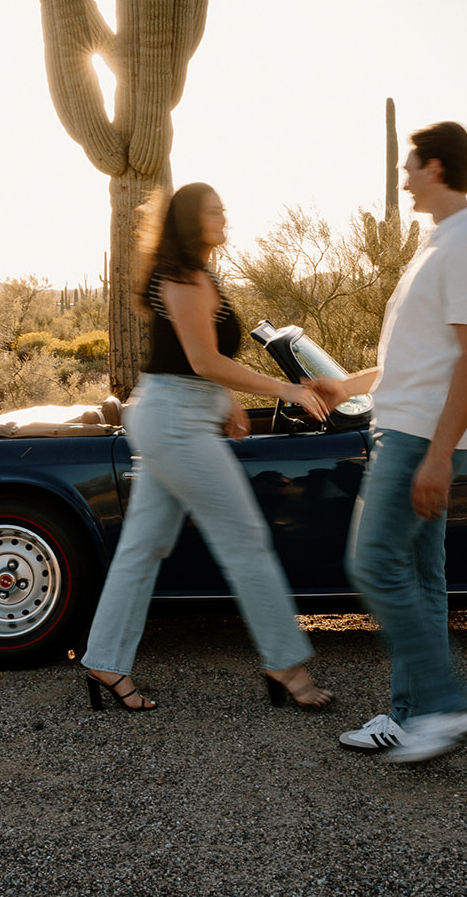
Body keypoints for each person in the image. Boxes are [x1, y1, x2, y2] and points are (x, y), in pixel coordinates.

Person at [79, 182, 335, 713]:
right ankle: (285, 662)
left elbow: (193, 358)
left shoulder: (201, 274)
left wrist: (222, 398)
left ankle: (104, 659)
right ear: (191, 221)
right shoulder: (182, 278)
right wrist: (285, 388)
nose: (224, 216)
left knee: (143, 546)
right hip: (174, 422)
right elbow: (201, 359)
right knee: (245, 538)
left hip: (176, 412)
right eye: (213, 210)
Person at [308, 121, 467, 762]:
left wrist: (440, 456)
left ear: (437, 168)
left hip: (422, 436)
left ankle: (446, 703)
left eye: (410, 165)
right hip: (405, 426)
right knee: (423, 578)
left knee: (372, 564)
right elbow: (418, 359)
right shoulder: (441, 243)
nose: (402, 176)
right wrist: (347, 385)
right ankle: (413, 714)